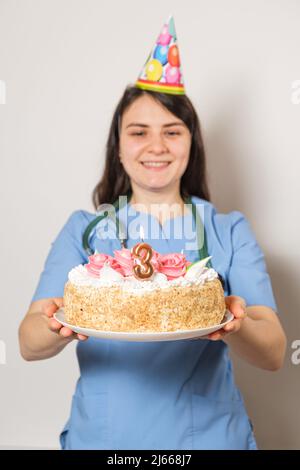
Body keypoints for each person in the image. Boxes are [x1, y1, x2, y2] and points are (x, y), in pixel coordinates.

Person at [18, 17, 286, 450]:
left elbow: (274, 352)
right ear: (119, 148)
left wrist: (235, 323)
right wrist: (54, 324)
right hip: (103, 443)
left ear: (191, 144)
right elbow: (28, 343)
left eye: (172, 132)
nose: (156, 146)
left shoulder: (227, 230)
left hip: (210, 441)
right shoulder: (85, 232)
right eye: (139, 132)